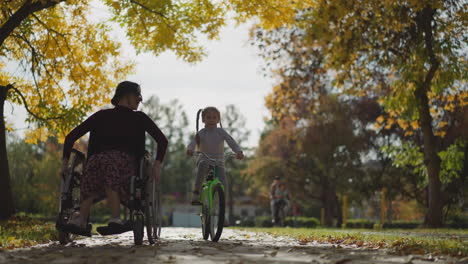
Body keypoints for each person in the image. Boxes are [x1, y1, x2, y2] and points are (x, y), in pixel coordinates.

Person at [60, 81, 168, 235]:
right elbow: (71, 137)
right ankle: (81, 220)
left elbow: (162, 141)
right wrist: (64, 163)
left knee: (103, 161)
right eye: (138, 95)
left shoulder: (140, 118)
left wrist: (157, 164)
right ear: (126, 95)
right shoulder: (102, 115)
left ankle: (114, 218)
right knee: (96, 162)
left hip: (127, 167)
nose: (140, 99)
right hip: (98, 165)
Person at [186, 106, 244, 205]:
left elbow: (231, 141)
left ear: (218, 120)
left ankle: (221, 206)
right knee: (201, 169)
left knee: (223, 182)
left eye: (214, 117)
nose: (211, 120)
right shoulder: (201, 133)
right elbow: (193, 142)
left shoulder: (221, 132)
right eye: (208, 117)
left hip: (219, 161)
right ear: (203, 120)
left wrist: (238, 151)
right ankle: (196, 194)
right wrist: (190, 149)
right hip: (204, 159)